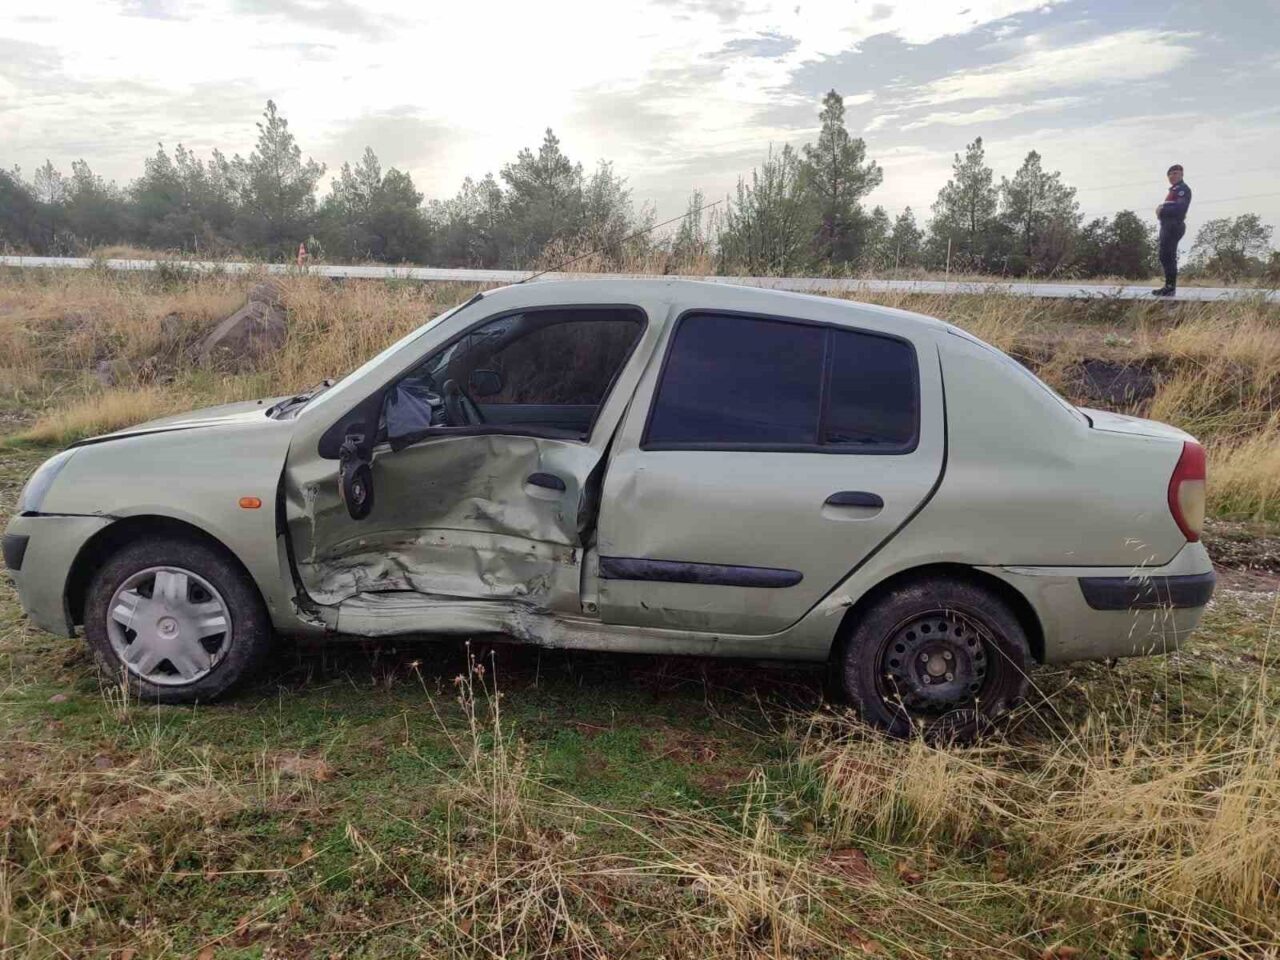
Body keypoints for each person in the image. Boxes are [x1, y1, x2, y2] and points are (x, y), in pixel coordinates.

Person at [1153, 164, 1191, 296]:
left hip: (1173, 225)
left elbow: (1180, 209)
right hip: (1167, 225)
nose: (1172, 176)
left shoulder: (1182, 189)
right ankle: (1169, 286)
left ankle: (1170, 287)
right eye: (1170, 174)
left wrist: (1162, 209)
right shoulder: (1173, 190)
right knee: (1165, 255)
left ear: (1181, 174)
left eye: (1175, 173)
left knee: (1168, 255)